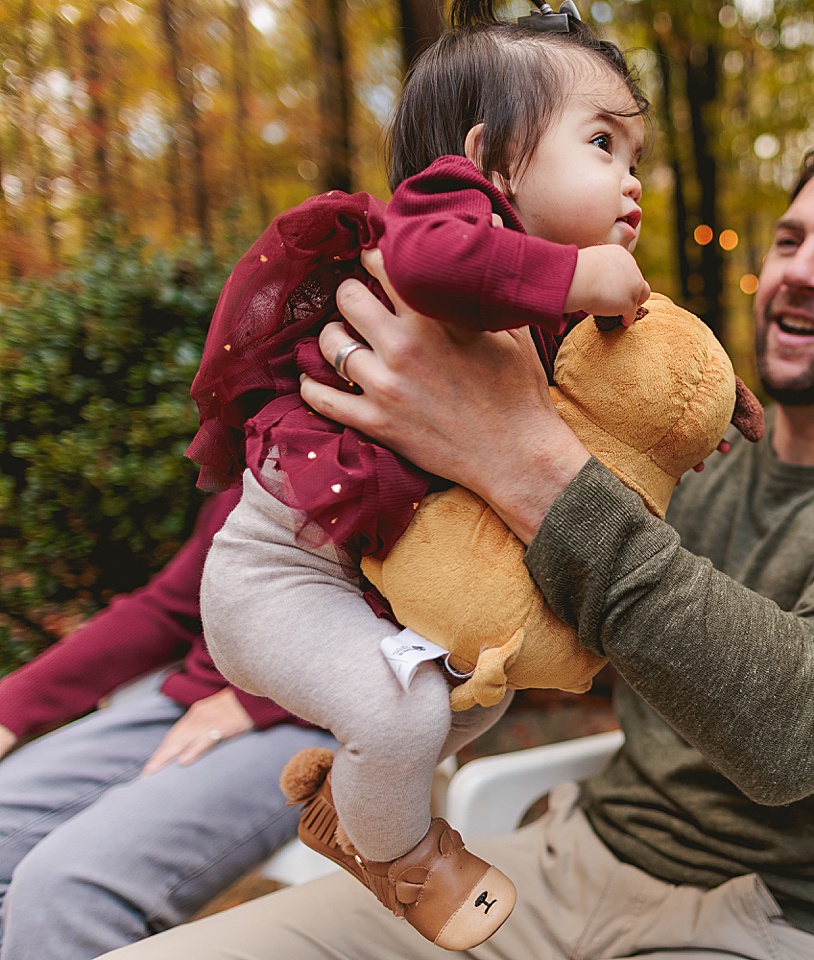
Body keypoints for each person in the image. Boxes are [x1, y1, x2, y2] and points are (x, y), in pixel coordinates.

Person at [103, 130, 814, 960]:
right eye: (790, 241)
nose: (801, 271)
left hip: (770, 916)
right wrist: (261, 675)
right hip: (568, 858)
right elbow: (448, 582)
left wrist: (521, 455)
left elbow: (795, 732)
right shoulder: (689, 467)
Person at [185, 0, 650, 949]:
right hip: (275, 579)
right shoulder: (438, 215)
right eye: (602, 142)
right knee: (400, 716)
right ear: (485, 160)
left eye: (636, 156)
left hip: (353, 594)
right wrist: (580, 279)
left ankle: (344, 803)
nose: (631, 181)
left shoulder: (530, 303)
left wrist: (712, 404)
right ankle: (407, 867)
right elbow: (437, 263)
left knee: (480, 692)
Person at [0, 488, 337, 960]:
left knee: (68, 890)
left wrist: (258, 701)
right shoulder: (271, 453)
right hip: (188, 701)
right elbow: (171, 608)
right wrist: (11, 708)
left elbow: (451, 634)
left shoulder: (434, 471)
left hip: (326, 721)